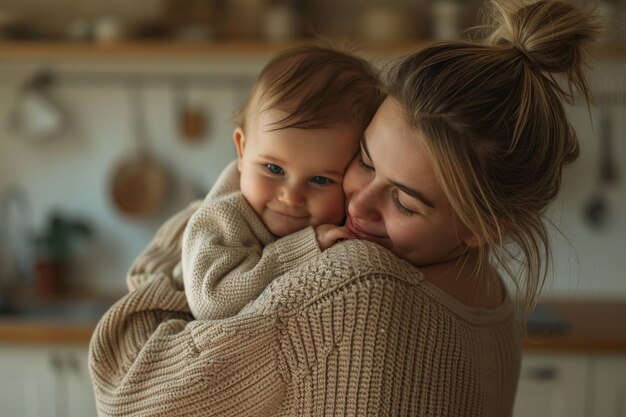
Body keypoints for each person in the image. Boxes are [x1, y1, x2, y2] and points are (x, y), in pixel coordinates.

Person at [88, 1, 600, 416]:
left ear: (483, 227)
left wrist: (199, 227)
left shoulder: (354, 286)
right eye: (363, 159)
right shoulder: (495, 303)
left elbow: (126, 392)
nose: (359, 200)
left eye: (404, 199)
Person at [181, 47, 382, 320]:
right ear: (242, 150)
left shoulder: (352, 221)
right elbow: (212, 303)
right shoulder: (224, 217)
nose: (291, 197)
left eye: (321, 180)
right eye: (274, 169)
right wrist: (304, 249)